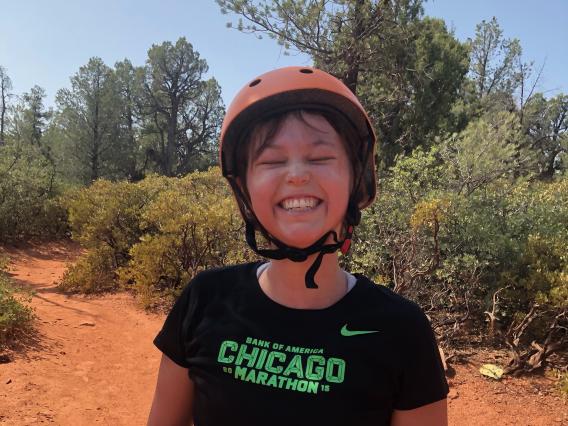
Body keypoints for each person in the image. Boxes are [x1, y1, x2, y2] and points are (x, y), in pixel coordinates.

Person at [147, 66, 449, 426]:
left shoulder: (401, 329)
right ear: (244, 189)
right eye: (272, 161)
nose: (296, 175)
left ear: (356, 180)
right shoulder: (204, 300)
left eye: (320, 158)